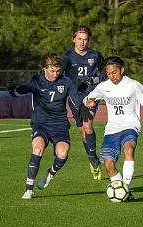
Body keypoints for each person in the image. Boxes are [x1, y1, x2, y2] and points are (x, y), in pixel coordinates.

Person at [84, 56, 143, 200]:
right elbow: (89, 98)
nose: (111, 76)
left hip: (130, 125)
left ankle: (125, 188)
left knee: (129, 149)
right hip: (111, 129)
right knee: (109, 164)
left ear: (122, 70)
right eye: (108, 73)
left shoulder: (133, 85)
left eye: (114, 72)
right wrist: (88, 101)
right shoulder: (103, 86)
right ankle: (123, 191)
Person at [8, 53, 82, 199]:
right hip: (40, 124)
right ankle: (29, 189)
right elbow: (20, 91)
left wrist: (86, 104)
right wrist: (12, 90)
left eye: (58, 71)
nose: (55, 74)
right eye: (52, 71)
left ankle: (51, 173)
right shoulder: (36, 81)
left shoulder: (66, 82)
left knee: (62, 153)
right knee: (37, 148)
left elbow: (76, 100)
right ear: (44, 69)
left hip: (60, 125)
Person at [61, 25, 105, 180]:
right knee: (83, 133)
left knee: (88, 125)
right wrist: (73, 83)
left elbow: (104, 74)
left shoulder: (96, 55)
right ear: (74, 39)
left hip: (91, 95)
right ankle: (92, 158)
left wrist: (91, 81)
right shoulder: (66, 57)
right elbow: (60, 77)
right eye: (79, 39)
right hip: (74, 98)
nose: (82, 43)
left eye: (85, 40)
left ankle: (94, 160)